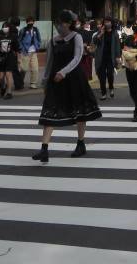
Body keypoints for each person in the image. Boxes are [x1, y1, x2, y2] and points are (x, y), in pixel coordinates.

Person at [33, 10, 102, 163]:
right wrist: (45, 81)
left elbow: (77, 58)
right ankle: (44, 149)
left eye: (62, 23)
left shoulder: (76, 37)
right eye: (58, 23)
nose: (59, 26)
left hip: (74, 78)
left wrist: (63, 72)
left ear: (69, 24)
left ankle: (80, 143)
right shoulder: (53, 40)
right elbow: (50, 62)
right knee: (49, 112)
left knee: (79, 112)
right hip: (55, 80)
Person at [94, 19, 120, 99]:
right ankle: (103, 93)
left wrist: (117, 56)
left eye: (108, 22)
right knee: (102, 76)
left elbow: (117, 45)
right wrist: (101, 33)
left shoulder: (114, 33)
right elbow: (95, 41)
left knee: (109, 74)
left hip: (110, 57)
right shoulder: (100, 32)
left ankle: (111, 88)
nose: (107, 23)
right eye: (105, 22)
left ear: (111, 23)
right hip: (101, 57)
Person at [0, 21, 17, 99]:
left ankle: (9, 92)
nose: (5, 28)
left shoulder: (13, 36)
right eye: (3, 27)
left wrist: (18, 58)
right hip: (1, 57)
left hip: (10, 57)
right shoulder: (0, 37)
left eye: (6, 27)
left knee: (8, 74)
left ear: (9, 28)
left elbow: (17, 47)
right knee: (0, 77)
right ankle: (3, 87)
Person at [19, 17, 42, 89]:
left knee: (35, 68)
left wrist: (38, 45)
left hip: (34, 52)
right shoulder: (23, 30)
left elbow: (39, 39)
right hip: (25, 52)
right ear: (27, 22)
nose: (30, 23)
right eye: (29, 21)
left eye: (32, 21)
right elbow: (19, 40)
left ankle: (33, 83)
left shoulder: (35, 29)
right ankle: (20, 82)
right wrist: (22, 48)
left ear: (33, 22)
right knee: (24, 69)